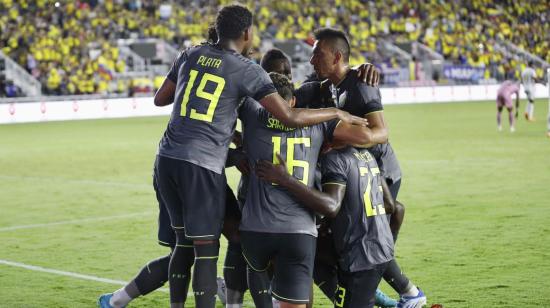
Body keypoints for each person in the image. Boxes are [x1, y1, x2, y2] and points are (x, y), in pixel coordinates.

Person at [155, 6, 365, 308]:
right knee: (205, 249)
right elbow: (290, 116)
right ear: (246, 34)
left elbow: (161, 98)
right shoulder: (246, 69)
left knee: (182, 244)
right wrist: (335, 111)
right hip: (202, 165)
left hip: (166, 158)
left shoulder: (190, 53)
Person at [307, 28, 426, 308]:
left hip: (380, 170)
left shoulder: (360, 83)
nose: (312, 60)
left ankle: (405, 294)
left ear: (337, 56)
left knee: (364, 241)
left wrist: (344, 136)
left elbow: (381, 132)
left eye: (318, 54)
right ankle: (401, 294)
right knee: (350, 240)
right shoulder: (331, 84)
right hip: (357, 170)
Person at [239, 72, 379, 308]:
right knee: (293, 297)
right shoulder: (320, 125)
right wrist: (335, 127)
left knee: (257, 274)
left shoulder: (252, 113)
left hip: (255, 229)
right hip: (298, 232)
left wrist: (237, 149)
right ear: (293, 101)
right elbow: (367, 136)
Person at [255, 146, 395, 308]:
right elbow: (390, 205)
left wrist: (286, 179)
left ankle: (407, 294)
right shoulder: (366, 154)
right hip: (377, 249)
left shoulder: (334, 158)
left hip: (360, 256)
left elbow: (331, 207)